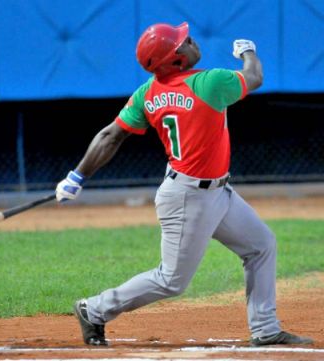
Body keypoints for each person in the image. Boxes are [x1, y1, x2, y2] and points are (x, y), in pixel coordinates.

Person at [55, 22, 313, 347]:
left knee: (261, 245)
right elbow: (255, 76)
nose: (190, 40)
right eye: (182, 42)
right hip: (189, 197)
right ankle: (93, 310)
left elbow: (111, 135)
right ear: (175, 60)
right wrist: (248, 51)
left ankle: (265, 329)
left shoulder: (148, 92)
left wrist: (77, 176)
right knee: (171, 280)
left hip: (216, 191)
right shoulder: (210, 82)